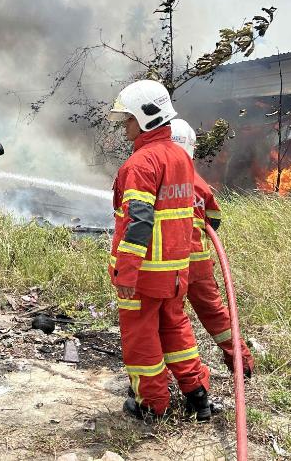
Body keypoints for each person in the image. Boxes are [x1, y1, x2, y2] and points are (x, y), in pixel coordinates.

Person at [107, 79, 212, 421]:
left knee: (141, 340)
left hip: (145, 276)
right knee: (176, 330)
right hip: (175, 272)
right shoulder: (180, 158)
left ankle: (151, 404)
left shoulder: (141, 164)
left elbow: (138, 222)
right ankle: (198, 394)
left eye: (128, 119)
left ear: (146, 116)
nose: (125, 126)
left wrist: (127, 271)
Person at [169, 119, 256, 377]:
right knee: (216, 315)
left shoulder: (158, 175)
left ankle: (184, 377)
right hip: (199, 263)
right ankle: (242, 363)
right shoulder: (197, 182)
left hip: (168, 265)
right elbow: (214, 219)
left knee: (171, 320)